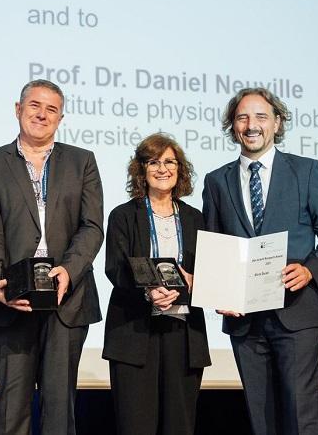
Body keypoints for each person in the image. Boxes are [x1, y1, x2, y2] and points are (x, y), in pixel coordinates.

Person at [202, 88, 318, 435]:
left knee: (301, 417)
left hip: (296, 313)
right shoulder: (216, 181)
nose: (251, 125)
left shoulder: (306, 171)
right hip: (245, 322)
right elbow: (214, 247)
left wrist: (311, 268)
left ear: (277, 122)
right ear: (232, 125)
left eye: (260, 116)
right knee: (260, 419)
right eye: (242, 117)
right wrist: (218, 292)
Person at [0, 79, 104, 435]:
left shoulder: (82, 161)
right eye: (34, 106)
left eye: (51, 109)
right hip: (11, 299)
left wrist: (69, 271)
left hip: (67, 301)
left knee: (59, 411)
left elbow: (92, 227)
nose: (42, 115)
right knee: (11, 410)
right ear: (18, 109)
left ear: (60, 118)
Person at [103, 133, 211, 435]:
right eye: (154, 162)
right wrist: (149, 291)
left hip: (183, 332)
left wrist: (194, 282)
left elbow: (211, 272)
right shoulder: (123, 216)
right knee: (135, 425)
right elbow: (116, 268)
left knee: (180, 424)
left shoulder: (195, 219)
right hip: (135, 332)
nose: (163, 169)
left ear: (180, 169)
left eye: (169, 162)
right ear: (142, 170)